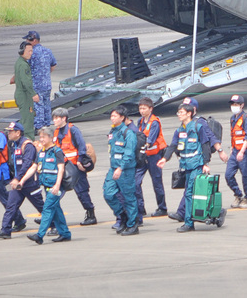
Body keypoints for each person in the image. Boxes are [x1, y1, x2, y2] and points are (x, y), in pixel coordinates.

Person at [158, 102, 212, 233]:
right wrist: (165, 158)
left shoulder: (198, 127)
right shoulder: (179, 130)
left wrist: (205, 163)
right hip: (186, 166)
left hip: (197, 165)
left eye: (181, 112)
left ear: (189, 113)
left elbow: (205, 145)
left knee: (189, 193)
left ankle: (189, 223)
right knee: (192, 193)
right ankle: (209, 214)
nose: (179, 115)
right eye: (178, 112)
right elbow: (173, 146)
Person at [168, 97, 223, 223]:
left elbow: (209, 139)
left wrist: (217, 153)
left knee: (192, 191)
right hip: (187, 164)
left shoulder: (200, 123)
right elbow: (177, 143)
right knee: (191, 190)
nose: (181, 112)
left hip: (198, 162)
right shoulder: (182, 126)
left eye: (185, 108)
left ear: (192, 110)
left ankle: (185, 215)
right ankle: (187, 215)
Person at [0, 122, 43, 239]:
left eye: (11, 131)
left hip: (29, 183)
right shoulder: (14, 144)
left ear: (18, 133)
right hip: (17, 183)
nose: (8, 133)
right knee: (11, 205)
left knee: (41, 206)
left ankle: (54, 225)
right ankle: (5, 230)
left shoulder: (27, 145)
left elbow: (26, 165)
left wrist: (17, 178)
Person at [52, 107, 97, 225]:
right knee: (56, 191)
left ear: (64, 119)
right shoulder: (56, 132)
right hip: (63, 167)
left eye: (57, 118)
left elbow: (81, 146)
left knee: (81, 191)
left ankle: (90, 213)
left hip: (75, 167)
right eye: (54, 118)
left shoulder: (73, 130)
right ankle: (49, 214)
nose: (54, 120)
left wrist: (80, 161)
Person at [28, 127, 72, 244]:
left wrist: (57, 185)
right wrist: (22, 181)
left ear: (50, 137)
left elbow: (61, 169)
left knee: (47, 209)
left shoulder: (57, 151)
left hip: (55, 187)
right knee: (56, 210)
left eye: (44, 137)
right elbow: (34, 167)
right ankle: (65, 233)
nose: (41, 139)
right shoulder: (41, 152)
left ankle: (40, 235)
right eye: (40, 137)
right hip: (47, 187)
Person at [104, 105, 139, 236]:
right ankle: (122, 215)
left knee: (129, 197)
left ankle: (132, 224)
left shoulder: (128, 133)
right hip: (113, 168)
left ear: (122, 117)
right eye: (111, 115)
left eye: (115, 116)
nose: (112, 118)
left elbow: (129, 153)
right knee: (108, 193)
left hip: (125, 170)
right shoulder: (113, 132)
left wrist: (121, 167)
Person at [135, 97, 168, 219]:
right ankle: (140, 207)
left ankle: (162, 207)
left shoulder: (154, 122)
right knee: (136, 182)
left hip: (154, 156)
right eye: (140, 108)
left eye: (144, 108)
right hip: (143, 157)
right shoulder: (140, 121)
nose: (142, 111)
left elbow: (151, 139)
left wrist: (142, 146)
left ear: (150, 109)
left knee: (157, 182)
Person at [221, 94, 247, 209]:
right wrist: (232, 148)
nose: (234, 106)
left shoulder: (246, 118)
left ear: (242, 105)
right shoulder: (232, 119)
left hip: (245, 152)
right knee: (228, 175)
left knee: (246, 176)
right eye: (233, 104)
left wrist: (242, 151)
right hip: (235, 150)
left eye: (236, 104)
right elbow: (233, 135)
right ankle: (238, 194)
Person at [24, 31, 57, 130]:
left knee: (37, 106)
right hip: (46, 84)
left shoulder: (31, 53)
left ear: (33, 40)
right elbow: (53, 64)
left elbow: (25, 68)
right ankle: (47, 125)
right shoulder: (47, 51)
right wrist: (45, 74)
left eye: (28, 40)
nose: (26, 42)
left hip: (36, 85)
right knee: (46, 105)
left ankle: (39, 127)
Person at [12, 41, 38, 136]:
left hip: (20, 93)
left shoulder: (19, 62)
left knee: (24, 118)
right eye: (29, 51)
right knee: (28, 120)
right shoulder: (23, 65)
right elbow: (26, 81)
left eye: (31, 51)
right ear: (22, 51)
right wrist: (33, 94)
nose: (31, 53)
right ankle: (29, 140)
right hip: (24, 95)